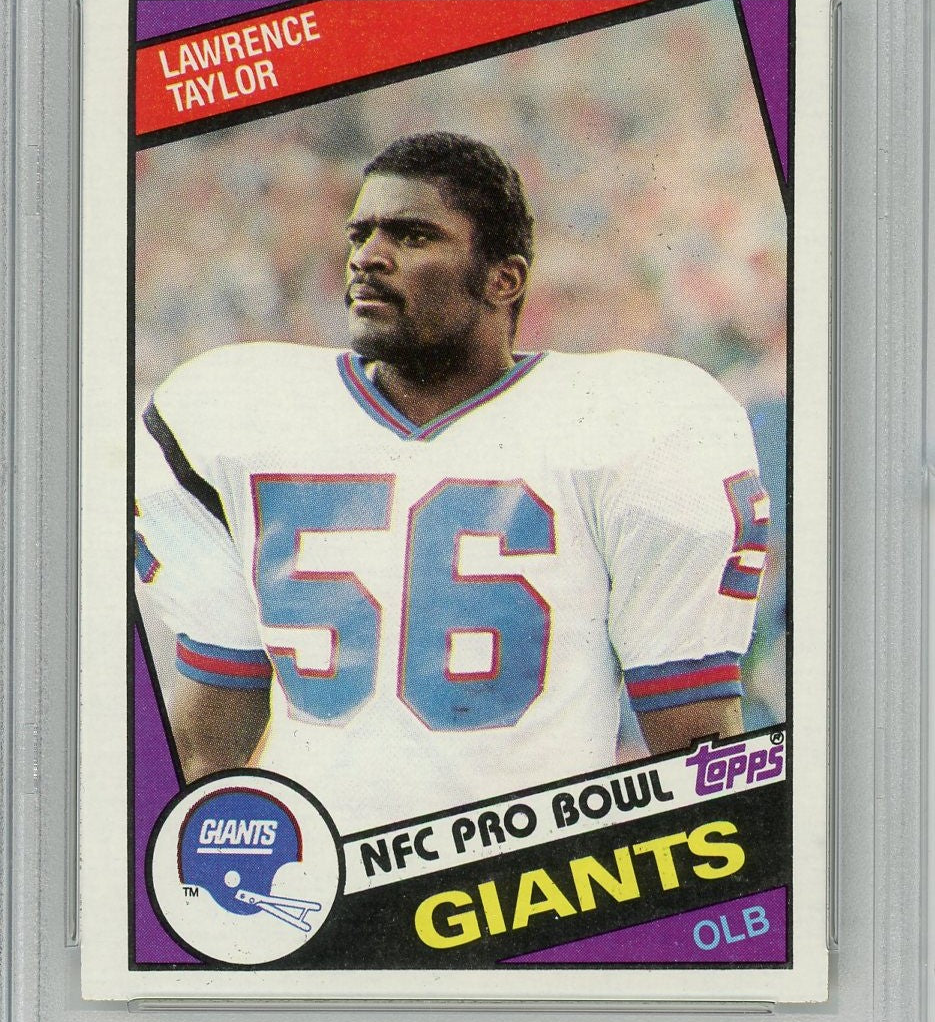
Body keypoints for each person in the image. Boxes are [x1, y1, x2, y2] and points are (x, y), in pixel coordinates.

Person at [135, 132, 769, 834]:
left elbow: (696, 747)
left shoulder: (624, 425)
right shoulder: (241, 418)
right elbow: (210, 745)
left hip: (536, 871)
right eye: (361, 234)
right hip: (317, 874)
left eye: (412, 236)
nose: (368, 257)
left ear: (504, 280)